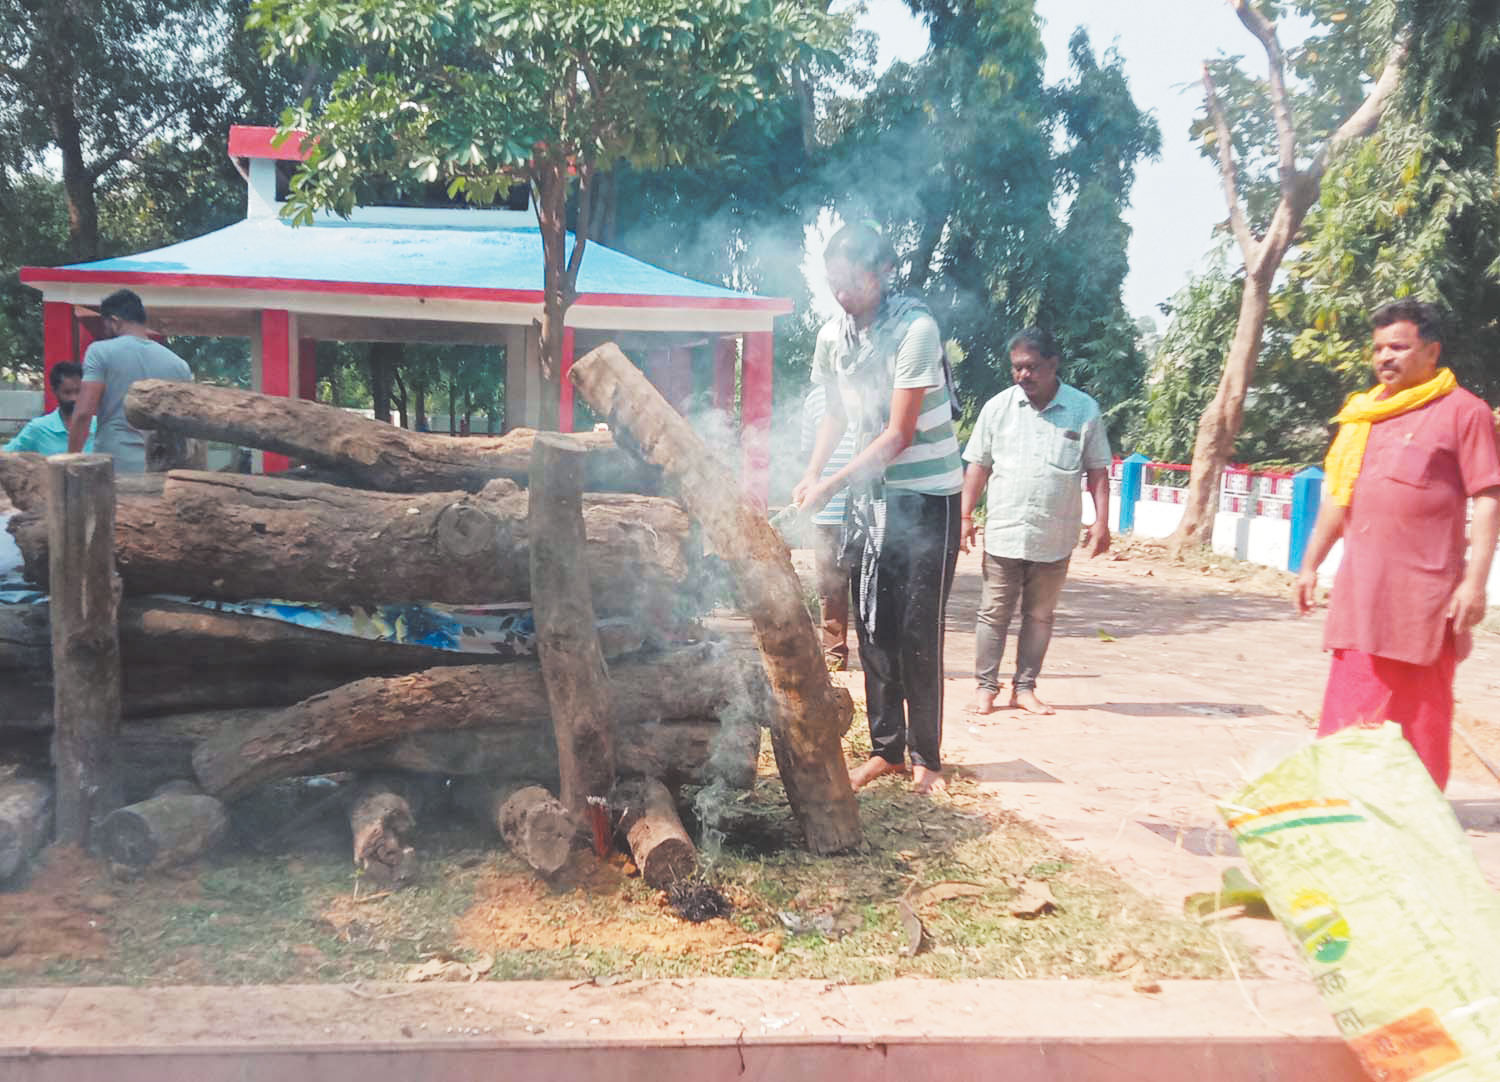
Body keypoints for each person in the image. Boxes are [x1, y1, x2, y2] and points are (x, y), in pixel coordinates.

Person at [1295, 300, 1500, 790]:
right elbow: (1337, 500)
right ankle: (1345, 806)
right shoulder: (1363, 415)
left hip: (1424, 596)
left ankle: (1413, 813)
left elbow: (1489, 498)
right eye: (1379, 348)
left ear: (1432, 351)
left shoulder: (1464, 413)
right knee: (1352, 703)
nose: (1385, 357)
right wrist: (1309, 568)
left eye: (1399, 347)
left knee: (1420, 712)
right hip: (1360, 591)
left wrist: (1474, 585)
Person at [795, 222, 965, 794]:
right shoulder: (833, 338)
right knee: (872, 625)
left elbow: (898, 436)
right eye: (832, 282)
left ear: (882, 273)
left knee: (918, 629)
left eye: (851, 281)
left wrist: (832, 485)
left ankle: (928, 759)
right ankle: (886, 749)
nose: (842, 293)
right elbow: (836, 417)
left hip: (925, 497)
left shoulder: (915, 331)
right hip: (870, 500)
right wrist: (813, 473)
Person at [960, 328, 1113, 716]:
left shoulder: (1083, 410)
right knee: (992, 614)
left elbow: (1097, 471)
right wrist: (964, 516)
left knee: (1040, 615)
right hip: (1004, 533)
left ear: (1053, 364)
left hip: (1054, 534)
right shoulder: (997, 409)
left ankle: (1025, 688)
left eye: (1031, 368)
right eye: (1016, 369)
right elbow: (978, 466)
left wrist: (1101, 523)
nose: (1023, 376)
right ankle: (985, 688)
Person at [68, 289, 192, 472]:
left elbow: (83, 414)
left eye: (106, 326)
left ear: (115, 321)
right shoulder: (179, 365)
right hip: (160, 468)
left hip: (115, 464)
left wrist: (71, 460)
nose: (105, 331)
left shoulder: (100, 352)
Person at [800, 383, 857, 669]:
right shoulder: (815, 399)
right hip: (826, 511)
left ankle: (879, 656)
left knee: (866, 585)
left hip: (862, 506)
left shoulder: (868, 389)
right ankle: (834, 655)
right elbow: (808, 450)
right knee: (830, 586)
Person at [3, 363, 95, 455]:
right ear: (55, 391)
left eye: (78, 391)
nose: (74, 398)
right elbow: (5, 455)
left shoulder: (98, 427)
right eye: (67, 392)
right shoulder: (39, 428)